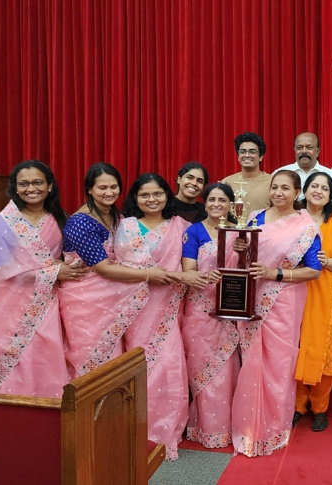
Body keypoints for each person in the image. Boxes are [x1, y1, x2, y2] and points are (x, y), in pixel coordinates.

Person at [230, 170, 322, 457]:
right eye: (274, 187)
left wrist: (276, 274)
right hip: (253, 295)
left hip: (285, 300)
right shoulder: (255, 218)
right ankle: (250, 426)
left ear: (297, 193)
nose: (278, 193)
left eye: (285, 188)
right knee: (252, 358)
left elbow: (314, 270)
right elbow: (243, 259)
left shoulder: (305, 226)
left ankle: (274, 428)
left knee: (280, 363)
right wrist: (238, 247)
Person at [0, 160, 87, 398]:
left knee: (48, 355)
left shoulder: (60, 217)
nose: (31, 189)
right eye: (24, 184)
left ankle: (51, 408)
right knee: (21, 359)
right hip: (13, 306)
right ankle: (17, 410)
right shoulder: (4, 223)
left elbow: (70, 256)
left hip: (50, 302)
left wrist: (66, 266)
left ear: (49, 185)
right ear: (15, 188)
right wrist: (52, 272)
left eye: (38, 182)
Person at [118, 173, 207, 460]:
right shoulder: (124, 226)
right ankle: (135, 431)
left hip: (169, 309)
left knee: (168, 365)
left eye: (157, 193)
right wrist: (150, 275)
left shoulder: (181, 227)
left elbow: (193, 264)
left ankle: (164, 433)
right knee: (138, 363)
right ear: (135, 198)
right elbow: (117, 265)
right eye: (144, 195)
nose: (151, 199)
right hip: (135, 309)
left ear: (167, 196)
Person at [61, 163, 171, 378]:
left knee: (114, 364)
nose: (109, 192)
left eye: (114, 187)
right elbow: (103, 269)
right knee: (91, 363)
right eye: (102, 187)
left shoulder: (116, 216)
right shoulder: (81, 222)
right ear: (89, 189)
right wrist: (149, 275)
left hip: (113, 299)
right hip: (86, 301)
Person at [293, 172, 332, 432]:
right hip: (294, 290)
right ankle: (297, 406)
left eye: (325, 188)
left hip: (326, 292)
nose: (318, 191)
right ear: (304, 190)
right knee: (296, 347)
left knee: (323, 348)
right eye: (314, 186)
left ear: (331, 195)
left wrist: (327, 261)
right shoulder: (292, 217)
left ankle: (319, 408)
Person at [181, 182, 239, 449]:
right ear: (204, 204)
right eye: (212, 199)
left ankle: (226, 426)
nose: (217, 204)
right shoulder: (194, 231)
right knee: (202, 367)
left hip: (230, 309)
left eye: (222, 200)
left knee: (227, 368)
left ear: (230, 205)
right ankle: (204, 427)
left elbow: (247, 270)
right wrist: (207, 276)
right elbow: (188, 271)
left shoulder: (238, 232)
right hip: (199, 309)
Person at [275, 132, 332, 213]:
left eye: (309, 147)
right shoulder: (280, 174)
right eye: (299, 148)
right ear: (295, 150)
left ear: (318, 151)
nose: (304, 151)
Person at [222, 132, 272, 212]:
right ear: (238, 156)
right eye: (242, 152)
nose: (247, 155)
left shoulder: (272, 182)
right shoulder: (226, 183)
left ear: (261, 157)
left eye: (252, 152)